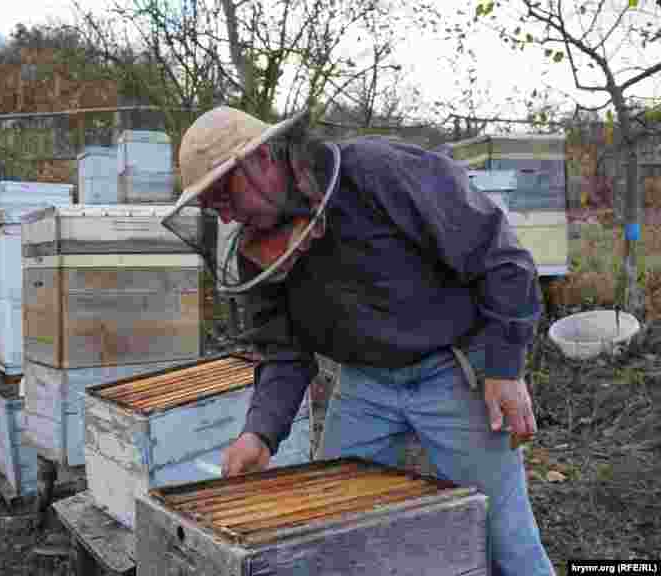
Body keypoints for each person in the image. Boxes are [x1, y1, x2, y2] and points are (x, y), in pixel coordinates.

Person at [161, 106, 555, 576]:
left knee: (503, 532)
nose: (225, 213)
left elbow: (501, 258)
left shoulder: (378, 172)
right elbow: (283, 351)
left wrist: (504, 367)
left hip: (452, 371)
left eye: (225, 192)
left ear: (264, 157)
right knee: (330, 529)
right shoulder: (257, 252)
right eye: (212, 206)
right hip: (364, 387)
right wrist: (259, 432)